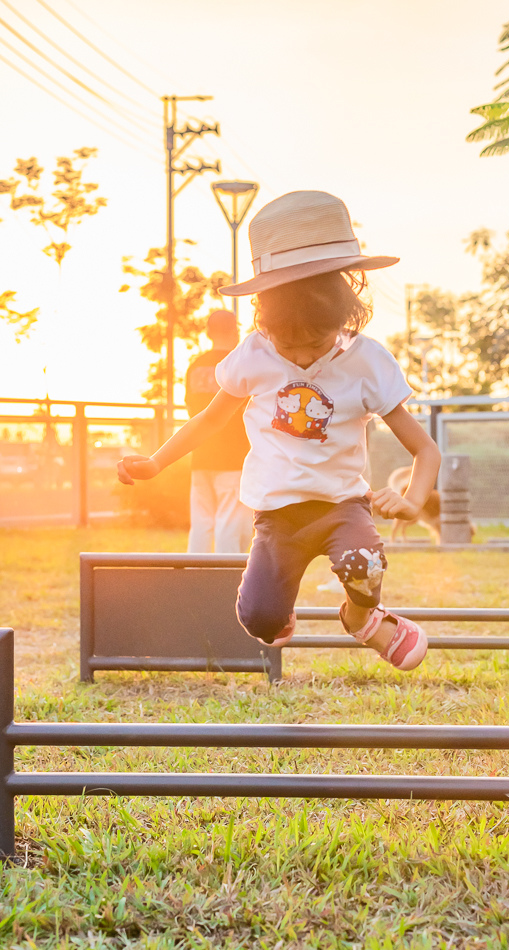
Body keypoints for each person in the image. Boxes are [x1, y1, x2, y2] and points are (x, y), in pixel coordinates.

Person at [118, 190, 441, 671]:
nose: (303, 356)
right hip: (277, 514)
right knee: (261, 623)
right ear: (263, 319)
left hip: (341, 505)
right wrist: (156, 461)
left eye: (314, 341)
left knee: (363, 563)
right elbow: (209, 419)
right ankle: (273, 608)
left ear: (345, 316)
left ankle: (363, 619)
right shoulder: (254, 354)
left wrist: (413, 501)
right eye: (287, 343)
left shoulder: (367, 361)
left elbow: (424, 449)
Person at [185, 309, 252, 553]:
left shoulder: (195, 366)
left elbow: (192, 410)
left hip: (200, 453)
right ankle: (226, 580)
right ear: (236, 330)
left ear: (208, 332)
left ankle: (194, 576)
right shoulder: (239, 363)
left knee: (201, 522)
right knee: (229, 522)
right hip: (234, 456)